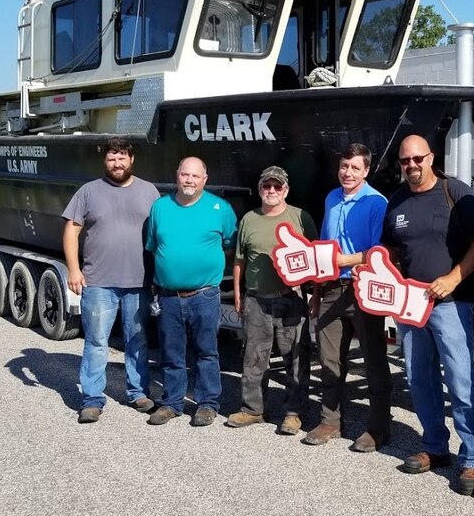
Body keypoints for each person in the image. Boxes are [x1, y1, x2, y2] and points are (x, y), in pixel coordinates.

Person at [381, 135, 474, 495]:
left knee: (461, 381)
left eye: (417, 159)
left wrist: (454, 277)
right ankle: (434, 446)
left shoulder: (455, 192)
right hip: (410, 307)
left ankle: (472, 458)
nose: (411, 165)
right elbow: (392, 250)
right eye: (404, 161)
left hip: (450, 305)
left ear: (431, 158)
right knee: (419, 379)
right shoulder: (396, 200)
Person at [63, 137, 160, 424]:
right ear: (104, 161)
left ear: (132, 159)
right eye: (111, 158)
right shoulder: (88, 192)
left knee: (138, 340)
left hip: (140, 281)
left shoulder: (149, 191)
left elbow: (160, 233)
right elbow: (71, 231)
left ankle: (138, 392)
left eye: (121, 158)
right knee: (96, 342)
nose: (116, 163)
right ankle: (92, 399)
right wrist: (73, 269)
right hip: (98, 281)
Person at [304, 144, 391, 452]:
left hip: (363, 289)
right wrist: (315, 290)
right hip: (329, 289)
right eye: (344, 166)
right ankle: (330, 420)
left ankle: (378, 427)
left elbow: (380, 251)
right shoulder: (331, 198)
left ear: (366, 171)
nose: (348, 173)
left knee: (373, 361)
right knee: (328, 359)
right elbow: (324, 249)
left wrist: (346, 261)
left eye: (355, 167)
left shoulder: (377, 202)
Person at [145, 156, 237, 427]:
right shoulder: (160, 207)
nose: (189, 180)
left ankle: (207, 404)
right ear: (177, 176)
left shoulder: (220, 208)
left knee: (206, 352)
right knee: (171, 352)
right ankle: (172, 402)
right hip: (169, 296)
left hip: (205, 295)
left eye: (195, 176)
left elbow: (230, 243)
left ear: (204, 179)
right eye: (185, 175)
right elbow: (153, 246)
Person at [228, 166, 317, 435]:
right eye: (267, 186)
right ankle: (252, 410)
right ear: (260, 189)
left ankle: (294, 413)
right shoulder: (249, 220)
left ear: (286, 190)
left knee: (295, 358)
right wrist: (237, 292)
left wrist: (315, 294)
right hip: (256, 299)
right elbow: (240, 260)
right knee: (254, 358)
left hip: (290, 298)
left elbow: (316, 257)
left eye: (277, 187)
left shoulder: (300, 217)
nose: (272, 191)